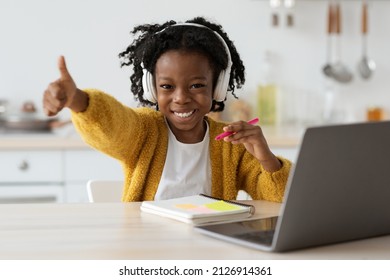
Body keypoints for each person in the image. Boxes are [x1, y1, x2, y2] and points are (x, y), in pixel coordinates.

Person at [43, 16, 292, 202]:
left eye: (196, 85)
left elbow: (278, 198)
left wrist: (265, 157)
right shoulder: (144, 131)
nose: (181, 98)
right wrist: (76, 99)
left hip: (209, 250)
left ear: (218, 87)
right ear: (152, 89)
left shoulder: (230, 144)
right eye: (167, 86)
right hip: (148, 246)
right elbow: (113, 126)